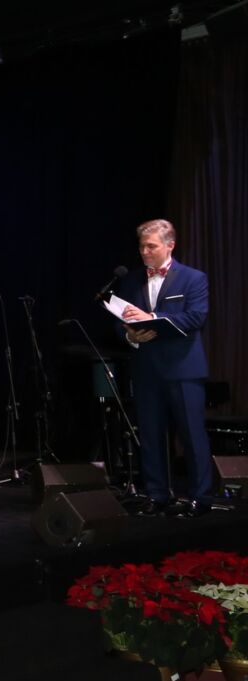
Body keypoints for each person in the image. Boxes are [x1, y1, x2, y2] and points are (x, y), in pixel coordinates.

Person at [116, 219, 212, 517]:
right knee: (150, 436)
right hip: (146, 369)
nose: (144, 252)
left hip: (182, 369)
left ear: (170, 245)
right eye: (142, 247)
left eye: (151, 246)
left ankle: (200, 497)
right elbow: (120, 320)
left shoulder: (193, 278)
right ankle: (156, 494)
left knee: (192, 436)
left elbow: (195, 317)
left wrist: (152, 319)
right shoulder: (131, 280)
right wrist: (129, 336)